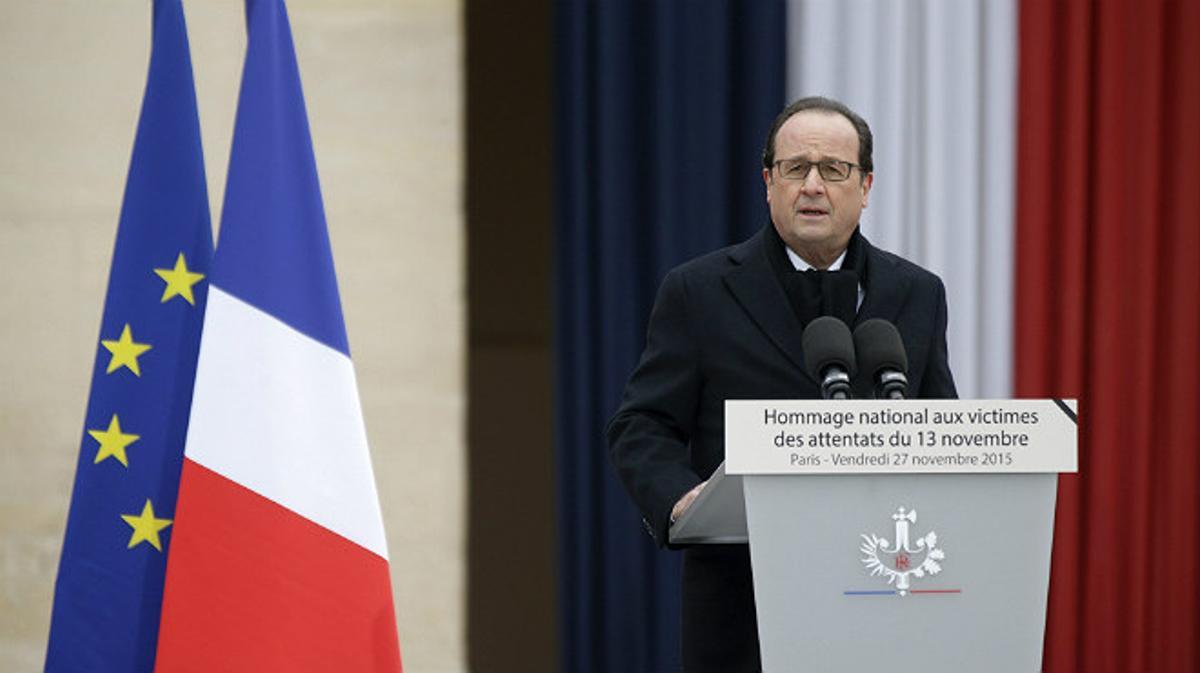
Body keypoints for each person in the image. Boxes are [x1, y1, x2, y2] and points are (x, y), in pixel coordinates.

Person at [605, 96, 958, 672]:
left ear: (866, 186)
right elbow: (641, 424)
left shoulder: (917, 292)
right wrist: (680, 500)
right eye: (796, 168)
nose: (813, 185)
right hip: (743, 606)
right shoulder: (699, 291)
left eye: (834, 170)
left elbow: (936, 422)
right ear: (768, 182)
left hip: (883, 592)